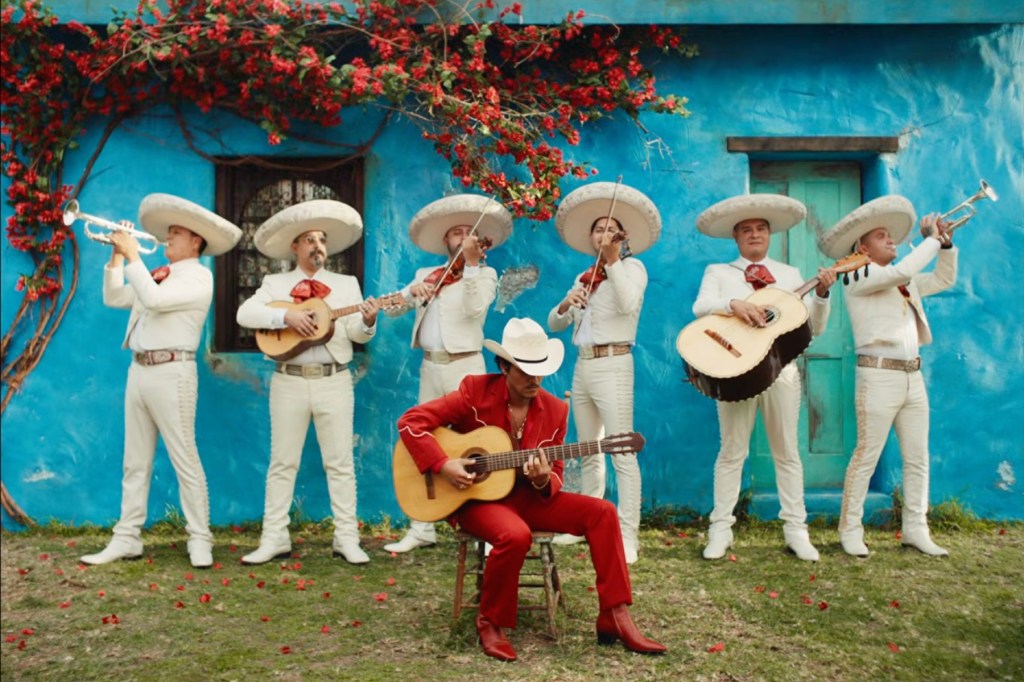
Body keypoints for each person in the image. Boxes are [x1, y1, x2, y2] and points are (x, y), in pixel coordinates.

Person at [396, 317, 666, 662]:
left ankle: (615, 615)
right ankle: (490, 621)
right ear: (504, 367)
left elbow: (553, 473)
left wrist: (541, 479)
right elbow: (411, 422)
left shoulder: (555, 410)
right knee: (515, 534)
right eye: (525, 371)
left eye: (540, 370)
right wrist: (443, 464)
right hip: (473, 498)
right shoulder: (474, 392)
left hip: (526, 497)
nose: (535, 379)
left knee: (603, 512)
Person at [81, 194, 242, 568]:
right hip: (139, 370)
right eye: (167, 233)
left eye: (175, 233)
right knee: (134, 461)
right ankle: (126, 538)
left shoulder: (200, 277)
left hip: (174, 373)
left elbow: (152, 301)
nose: (167, 239)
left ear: (195, 242)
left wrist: (134, 254)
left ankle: (200, 539)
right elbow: (114, 296)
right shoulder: (156, 274)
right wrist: (118, 256)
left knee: (185, 457)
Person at [692, 193, 837, 562]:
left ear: (769, 235)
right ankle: (720, 530)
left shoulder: (789, 276)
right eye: (745, 230)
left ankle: (796, 531)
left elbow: (814, 328)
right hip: (735, 373)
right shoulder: (720, 273)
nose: (754, 235)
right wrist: (733, 305)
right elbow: (699, 307)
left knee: (787, 452)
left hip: (781, 373)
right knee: (731, 452)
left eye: (760, 229)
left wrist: (821, 294)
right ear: (736, 238)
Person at [236, 200, 378, 565]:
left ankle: (347, 538)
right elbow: (245, 313)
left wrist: (369, 320)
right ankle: (274, 537)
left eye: (322, 240)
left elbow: (358, 337)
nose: (318, 246)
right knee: (282, 462)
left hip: (334, 380)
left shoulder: (346, 285)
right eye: (310, 240)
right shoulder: (275, 283)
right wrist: (286, 316)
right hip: (289, 381)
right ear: (295, 247)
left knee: (340, 463)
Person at [819, 196, 956, 557]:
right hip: (878, 377)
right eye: (882, 236)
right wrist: (930, 238)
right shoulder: (856, 274)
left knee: (917, 458)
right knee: (867, 455)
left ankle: (916, 529)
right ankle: (849, 529)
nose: (892, 240)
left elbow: (944, 277)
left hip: (913, 376)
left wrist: (946, 244)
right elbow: (898, 271)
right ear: (863, 247)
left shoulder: (904, 282)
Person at [383, 194, 513, 554]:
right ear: (446, 241)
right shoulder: (426, 275)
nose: (461, 236)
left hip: (466, 366)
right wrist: (412, 292)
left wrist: (471, 265)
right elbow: (393, 310)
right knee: (423, 438)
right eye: (456, 233)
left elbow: (475, 309)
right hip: (431, 366)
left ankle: (487, 526)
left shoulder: (485, 273)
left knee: (478, 444)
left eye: (467, 232)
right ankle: (422, 526)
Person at [546, 182, 660, 565]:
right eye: (598, 229)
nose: (604, 234)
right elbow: (555, 323)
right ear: (591, 237)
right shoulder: (583, 278)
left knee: (621, 451)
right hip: (583, 365)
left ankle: (628, 536)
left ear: (622, 237)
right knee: (587, 448)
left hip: (614, 363)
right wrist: (566, 303)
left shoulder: (633, 268)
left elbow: (629, 304)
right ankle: (584, 523)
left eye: (612, 229)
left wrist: (613, 262)